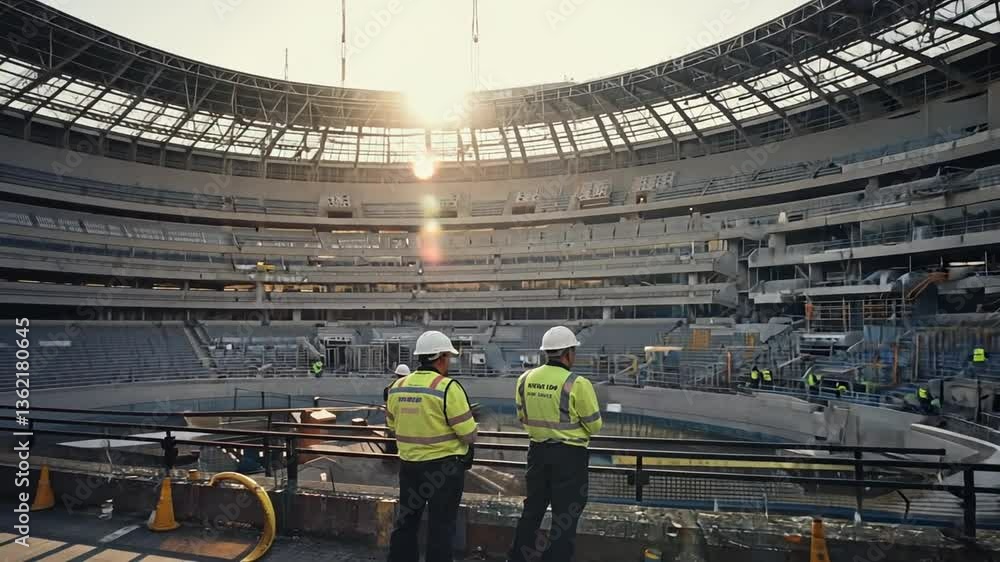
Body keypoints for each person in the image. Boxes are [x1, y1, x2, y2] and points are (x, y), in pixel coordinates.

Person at [508, 326, 603, 562]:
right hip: (569, 459)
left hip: (537, 454)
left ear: (546, 353)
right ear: (568, 353)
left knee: (532, 512)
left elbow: (523, 418)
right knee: (565, 518)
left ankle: (518, 557)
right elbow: (594, 426)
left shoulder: (524, 379)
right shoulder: (577, 383)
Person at [385, 331, 478, 562]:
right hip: (443, 471)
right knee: (441, 527)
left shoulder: (397, 386)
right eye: (448, 357)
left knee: (406, 522)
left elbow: (392, 426)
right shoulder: (447, 388)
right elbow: (468, 434)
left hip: (409, 467)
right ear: (441, 358)